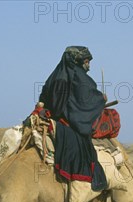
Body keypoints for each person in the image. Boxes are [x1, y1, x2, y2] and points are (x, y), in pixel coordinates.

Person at [38, 46, 107, 191]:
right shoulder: (81, 79)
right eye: (87, 61)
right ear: (81, 61)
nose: (88, 65)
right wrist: (101, 99)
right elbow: (85, 102)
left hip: (53, 119)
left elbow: (44, 98)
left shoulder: (54, 76)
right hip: (68, 124)